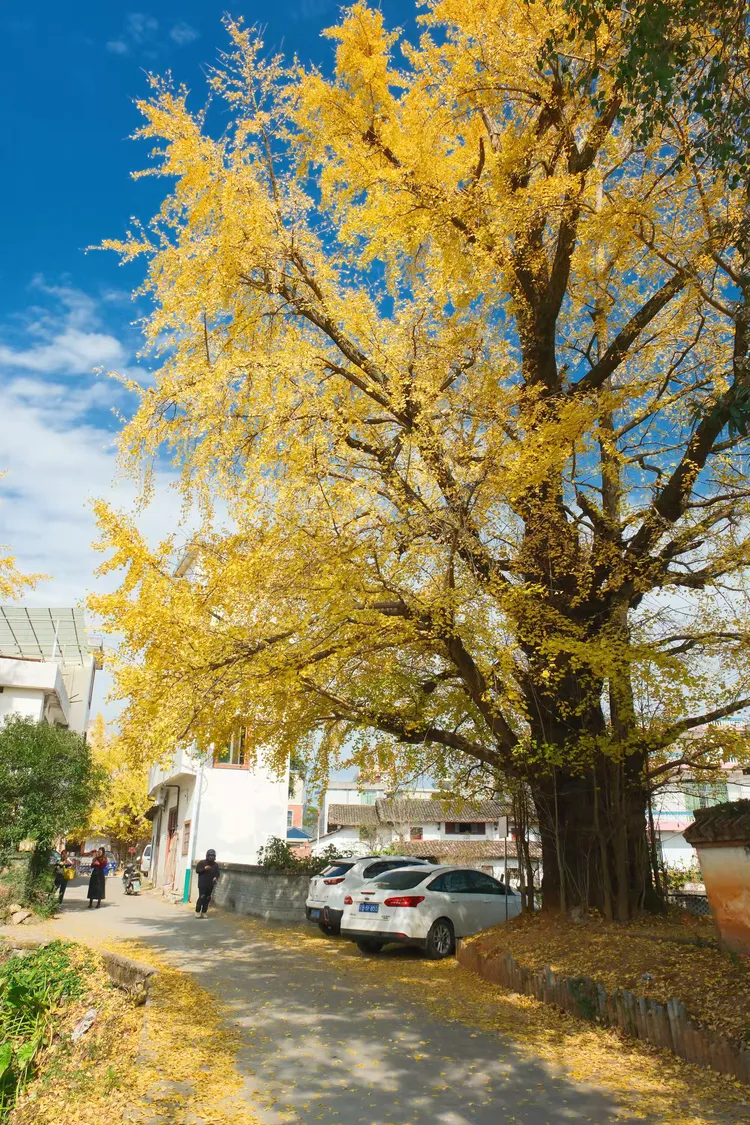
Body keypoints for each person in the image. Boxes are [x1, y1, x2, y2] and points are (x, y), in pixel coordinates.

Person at [195, 849, 219, 918]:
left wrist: (215, 877)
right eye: (210, 856)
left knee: (207, 898)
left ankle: (204, 912)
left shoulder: (215, 865)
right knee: (202, 897)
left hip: (210, 884)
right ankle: (197, 911)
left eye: (213, 856)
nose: (211, 857)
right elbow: (197, 870)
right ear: (207, 856)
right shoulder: (202, 863)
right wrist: (204, 869)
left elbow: (217, 873)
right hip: (202, 884)